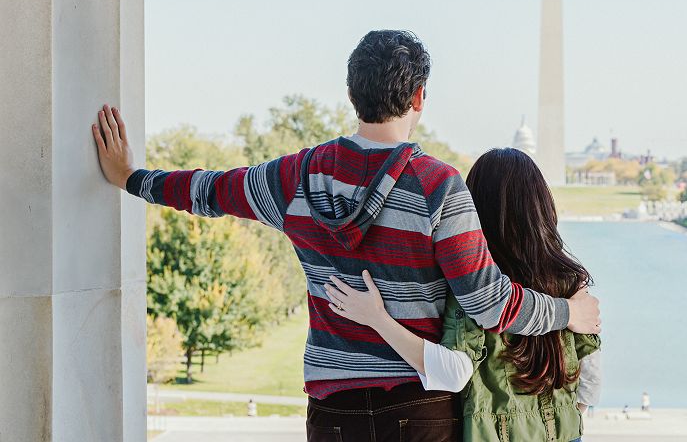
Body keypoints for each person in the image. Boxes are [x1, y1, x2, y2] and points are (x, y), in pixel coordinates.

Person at [91, 31, 601, 442]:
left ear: (353, 95)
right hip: (419, 406)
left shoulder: (297, 178)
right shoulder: (437, 186)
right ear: (419, 96)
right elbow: (490, 305)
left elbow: (209, 191)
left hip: (333, 412)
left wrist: (131, 178)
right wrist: (567, 313)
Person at [327, 148, 601, 441]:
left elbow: (453, 371)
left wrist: (378, 319)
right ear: (542, 204)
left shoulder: (469, 285)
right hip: (565, 431)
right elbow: (591, 382)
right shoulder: (571, 281)